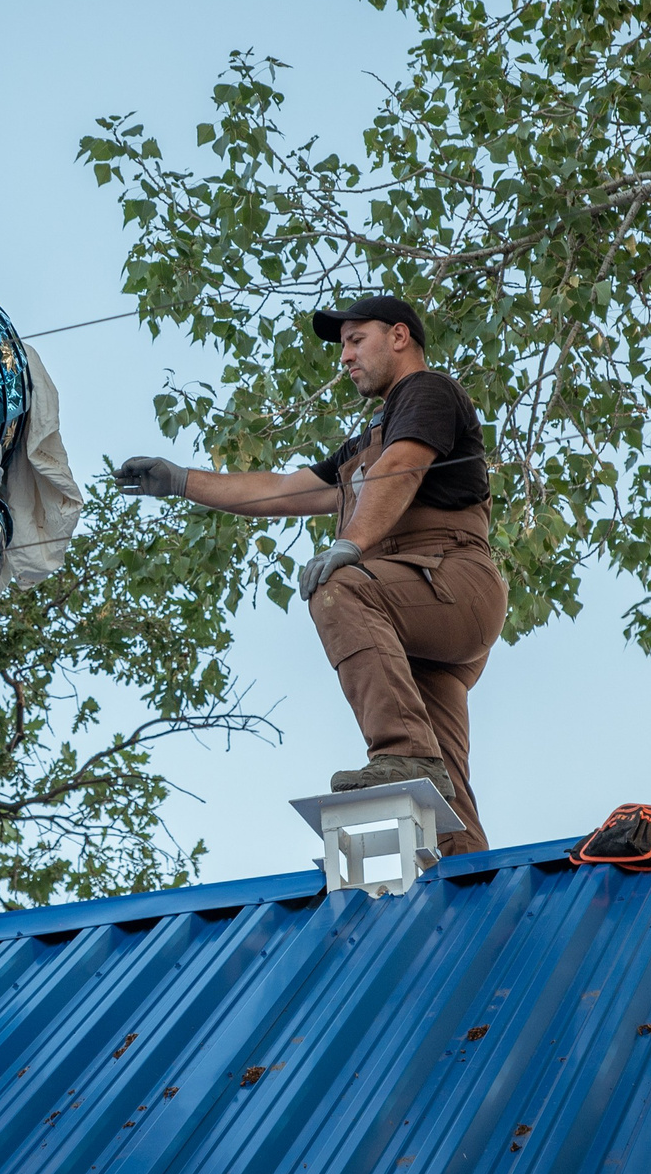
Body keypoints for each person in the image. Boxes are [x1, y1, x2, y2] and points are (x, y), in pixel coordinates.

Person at [114, 295, 507, 855]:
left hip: (451, 582)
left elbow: (401, 467)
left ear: (399, 336)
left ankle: (401, 754)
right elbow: (281, 490)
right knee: (443, 791)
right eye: (343, 346)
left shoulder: (426, 392)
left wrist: (350, 545)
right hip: (419, 617)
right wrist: (182, 481)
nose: (345, 357)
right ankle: (471, 881)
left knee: (337, 588)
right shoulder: (363, 445)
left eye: (356, 340)